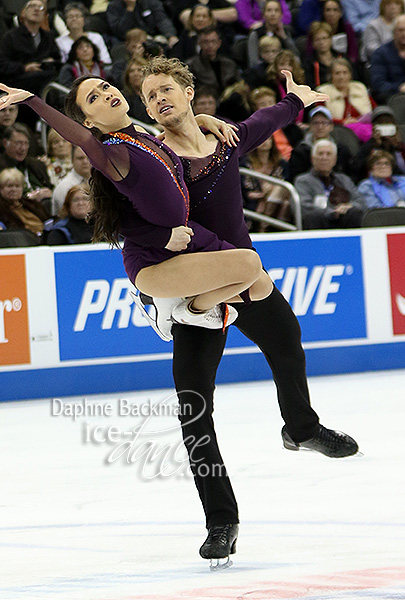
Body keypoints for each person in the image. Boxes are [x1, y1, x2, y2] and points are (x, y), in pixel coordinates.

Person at [139, 56, 358, 565]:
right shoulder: (154, 156)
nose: (159, 100)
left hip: (243, 275)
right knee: (194, 410)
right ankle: (221, 521)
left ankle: (300, 427)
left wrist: (295, 101)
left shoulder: (224, 139)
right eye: (149, 96)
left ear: (190, 91)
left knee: (287, 339)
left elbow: (262, 124)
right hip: (197, 290)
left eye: (166, 89)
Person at [0, 76, 267, 333]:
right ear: (89, 122)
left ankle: (176, 299)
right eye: (93, 99)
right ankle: (188, 310)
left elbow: (179, 131)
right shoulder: (112, 154)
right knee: (250, 264)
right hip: (153, 258)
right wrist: (32, 101)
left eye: (104, 87)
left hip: (186, 237)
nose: (105, 95)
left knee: (262, 287)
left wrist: (204, 118)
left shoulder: (142, 136)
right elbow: (81, 139)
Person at [0, 0, 61, 97]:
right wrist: (24, 68)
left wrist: (50, 62)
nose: (36, 9)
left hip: (43, 80)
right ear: (23, 13)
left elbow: (58, 60)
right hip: (17, 81)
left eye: (41, 8)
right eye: (32, 6)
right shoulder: (11, 37)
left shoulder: (48, 37)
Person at [294, 139, 366, 228]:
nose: (324, 158)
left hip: (344, 220)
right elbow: (304, 207)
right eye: (320, 154)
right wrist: (333, 211)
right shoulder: (303, 181)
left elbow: (360, 202)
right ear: (312, 159)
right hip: (320, 222)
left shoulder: (344, 179)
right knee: (313, 216)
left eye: (328, 154)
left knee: (354, 212)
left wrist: (348, 207)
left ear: (334, 160)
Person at [0, 123, 53, 197]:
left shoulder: (38, 164)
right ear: (5, 143)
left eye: (26, 143)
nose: (23, 148)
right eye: (18, 143)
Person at [287, 105, 353, 182]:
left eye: (324, 123)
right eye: (316, 123)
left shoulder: (341, 150)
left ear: (331, 126)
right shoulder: (300, 151)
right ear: (310, 126)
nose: (320, 127)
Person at [241, 135, 290, 231]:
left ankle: (263, 226)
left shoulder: (281, 164)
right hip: (251, 203)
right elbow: (242, 189)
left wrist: (268, 192)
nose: (265, 142)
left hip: (277, 204)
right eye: (262, 138)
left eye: (268, 139)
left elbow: (286, 185)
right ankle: (264, 226)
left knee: (279, 190)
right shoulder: (246, 164)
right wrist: (261, 195)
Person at [0, 167, 51, 233]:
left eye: (17, 186)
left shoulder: (31, 203)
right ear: (0, 188)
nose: (14, 189)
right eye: (10, 186)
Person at [352, 105, 405, 182]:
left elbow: (399, 173)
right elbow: (357, 171)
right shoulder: (366, 147)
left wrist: (397, 147)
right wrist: (373, 144)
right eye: (381, 123)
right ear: (374, 127)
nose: (385, 126)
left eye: (388, 123)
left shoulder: (400, 147)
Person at [187, 25, 240, 95]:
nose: (210, 45)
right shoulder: (191, 65)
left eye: (213, 41)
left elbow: (238, 85)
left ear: (219, 43)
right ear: (199, 44)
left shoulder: (230, 64)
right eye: (206, 42)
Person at [245, 0, 298, 68]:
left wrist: (284, 37)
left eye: (276, 10)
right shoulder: (255, 34)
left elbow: (296, 58)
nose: (273, 14)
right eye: (269, 10)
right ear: (263, 14)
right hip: (262, 73)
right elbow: (253, 62)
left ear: (281, 14)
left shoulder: (286, 32)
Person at [105, 0, 179, 48]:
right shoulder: (113, 6)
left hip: (153, 38)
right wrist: (130, 9)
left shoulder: (151, 2)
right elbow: (120, 32)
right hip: (126, 42)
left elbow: (162, 20)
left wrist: (171, 36)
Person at [370, 14, 405, 104]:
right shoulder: (381, 53)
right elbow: (378, 83)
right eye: (400, 30)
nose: (404, 34)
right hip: (392, 97)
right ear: (393, 33)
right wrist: (399, 88)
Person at [51, 145, 92, 214]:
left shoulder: (101, 182)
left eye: (89, 158)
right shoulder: (64, 187)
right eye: (80, 158)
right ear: (72, 161)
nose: (85, 161)